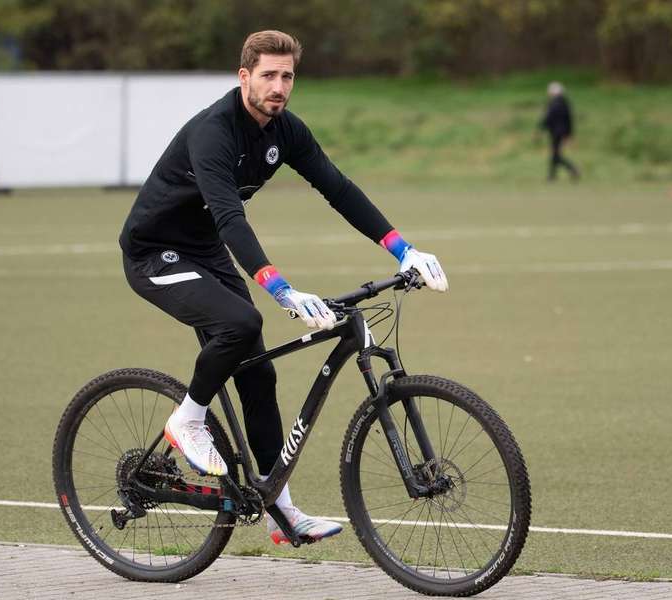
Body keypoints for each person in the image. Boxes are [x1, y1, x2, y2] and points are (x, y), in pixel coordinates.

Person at [119, 30, 449, 545]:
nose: (278, 86)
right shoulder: (214, 132)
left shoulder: (284, 131)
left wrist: (404, 249)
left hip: (203, 252)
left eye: (287, 76)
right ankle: (187, 421)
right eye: (268, 75)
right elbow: (230, 218)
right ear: (244, 77)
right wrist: (281, 289)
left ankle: (280, 511)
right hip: (154, 252)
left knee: (257, 373)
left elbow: (337, 188)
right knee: (242, 323)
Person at [540, 81, 580, 182]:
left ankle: (572, 169)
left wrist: (541, 127)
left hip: (556, 133)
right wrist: (570, 134)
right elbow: (569, 119)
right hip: (562, 132)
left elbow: (549, 117)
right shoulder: (565, 103)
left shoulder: (554, 104)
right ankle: (552, 176)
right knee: (555, 153)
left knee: (555, 154)